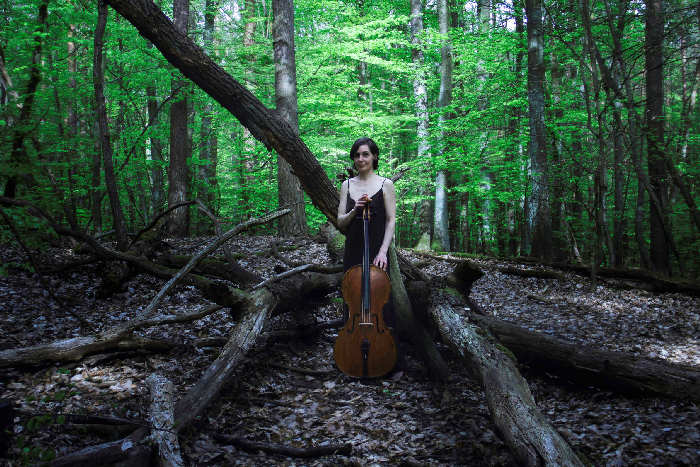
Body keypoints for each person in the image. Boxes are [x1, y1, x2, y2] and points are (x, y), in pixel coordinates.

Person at [337, 137, 397, 329]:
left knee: (380, 301)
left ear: (374, 156)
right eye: (357, 155)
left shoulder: (385, 184)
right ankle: (352, 349)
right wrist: (355, 210)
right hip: (353, 251)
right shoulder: (346, 185)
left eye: (365, 154)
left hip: (377, 252)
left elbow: (391, 220)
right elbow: (340, 221)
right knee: (352, 299)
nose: (360, 159)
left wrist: (383, 252)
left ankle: (381, 351)